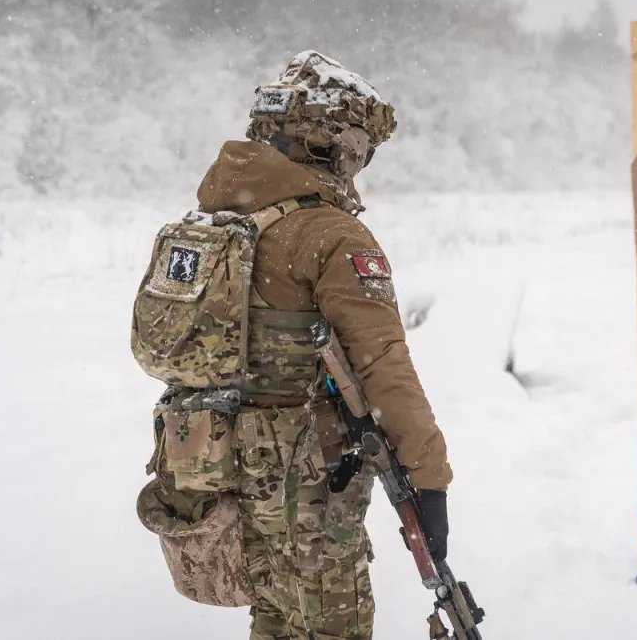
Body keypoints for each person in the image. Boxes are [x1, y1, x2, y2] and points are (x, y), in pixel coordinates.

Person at [132, 51, 452, 640]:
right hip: (307, 483)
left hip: (219, 467)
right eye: (360, 145)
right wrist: (430, 479)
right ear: (333, 143)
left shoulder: (214, 222)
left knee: (276, 618)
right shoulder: (330, 233)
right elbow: (385, 367)